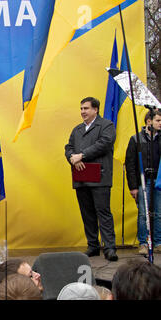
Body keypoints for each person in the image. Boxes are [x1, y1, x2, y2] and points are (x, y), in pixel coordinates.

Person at [65, 97, 118, 261]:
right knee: (87, 213)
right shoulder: (77, 129)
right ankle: (93, 246)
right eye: (81, 108)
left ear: (96, 109)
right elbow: (68, 147)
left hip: (99, 177)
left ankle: (109, 247)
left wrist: (83, 155)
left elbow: (105, 143)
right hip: (81, 178)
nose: (83, 112)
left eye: (86, 108)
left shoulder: (106, 125)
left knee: (103, 212)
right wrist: (73, 157)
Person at [125, 110, 161, 255]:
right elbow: (130, 165)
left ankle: (158, 242)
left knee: (159, 213)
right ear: (149, 121)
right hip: (143, 180)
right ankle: (143, 243)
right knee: (143, 214)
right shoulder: (136, 139)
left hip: (158, 180)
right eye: (158, 120)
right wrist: (133, 187)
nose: (160, 123)